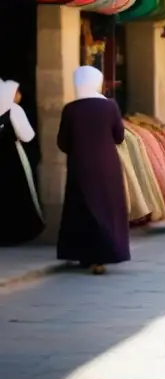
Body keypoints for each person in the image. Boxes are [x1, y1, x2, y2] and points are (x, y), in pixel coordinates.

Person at [56, 66, 129, 274]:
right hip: (107, 166)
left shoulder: (70, 109)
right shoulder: (110, 107)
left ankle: (84, 255)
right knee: (107, 208)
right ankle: (104, 255)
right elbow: (119, 136)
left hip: (79, 165)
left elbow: (62, 142)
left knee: (82, 209)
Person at [0, 78, 44, 246]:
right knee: (15, 194)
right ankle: (14, 234)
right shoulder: (14, 110)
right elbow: (27, 135)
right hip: (12, 158)